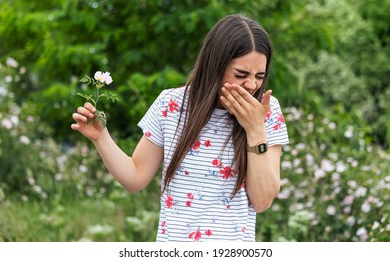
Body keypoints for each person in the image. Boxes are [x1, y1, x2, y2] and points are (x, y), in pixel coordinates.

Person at [71, 14, 289, 242]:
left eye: (260, 76)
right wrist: (101, 137)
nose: (252, 85)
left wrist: (255, 130)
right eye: (241, 74)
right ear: (215, 65)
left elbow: (263, 201)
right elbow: (135, 178)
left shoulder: (267, 111)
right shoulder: (171, 104)